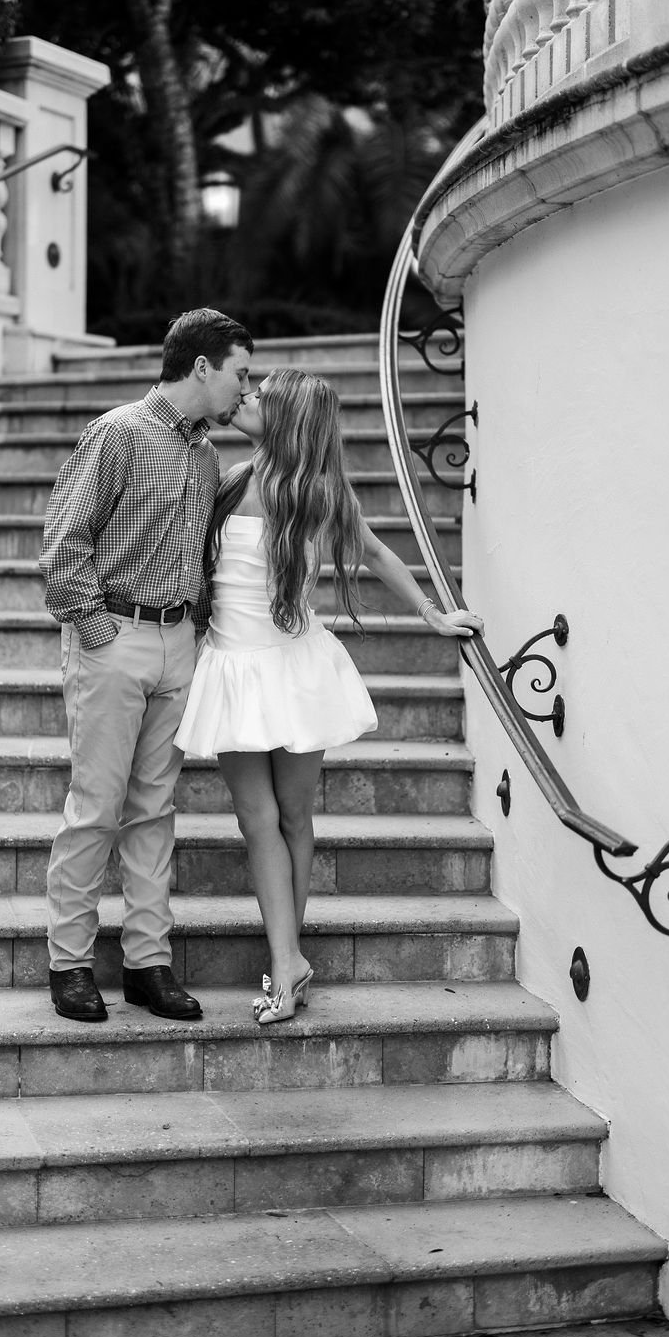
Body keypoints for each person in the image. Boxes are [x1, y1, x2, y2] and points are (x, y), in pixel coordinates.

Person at [174, 368, 484, 1024]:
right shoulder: (228, 479)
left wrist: (434, 615)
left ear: (287, 420)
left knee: (292, 816)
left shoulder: (316, 492)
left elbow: (375, 554)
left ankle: (286, 961)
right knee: (256, 819)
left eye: (261, 396)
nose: (246, 397)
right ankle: (289, 961)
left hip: (294, 670)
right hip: (232, 667)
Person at [39, 308, 254, 1024]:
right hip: (115, 637)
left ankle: (146, 965)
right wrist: (97, 630)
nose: (245, 389)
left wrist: (193, 629)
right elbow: (64, 541)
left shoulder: (205, 455)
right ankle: (70, 964)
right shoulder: (119, 432)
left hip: (178, 642)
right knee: (96, 807)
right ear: (202, 366)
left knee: (155, 810)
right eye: (240, 373)